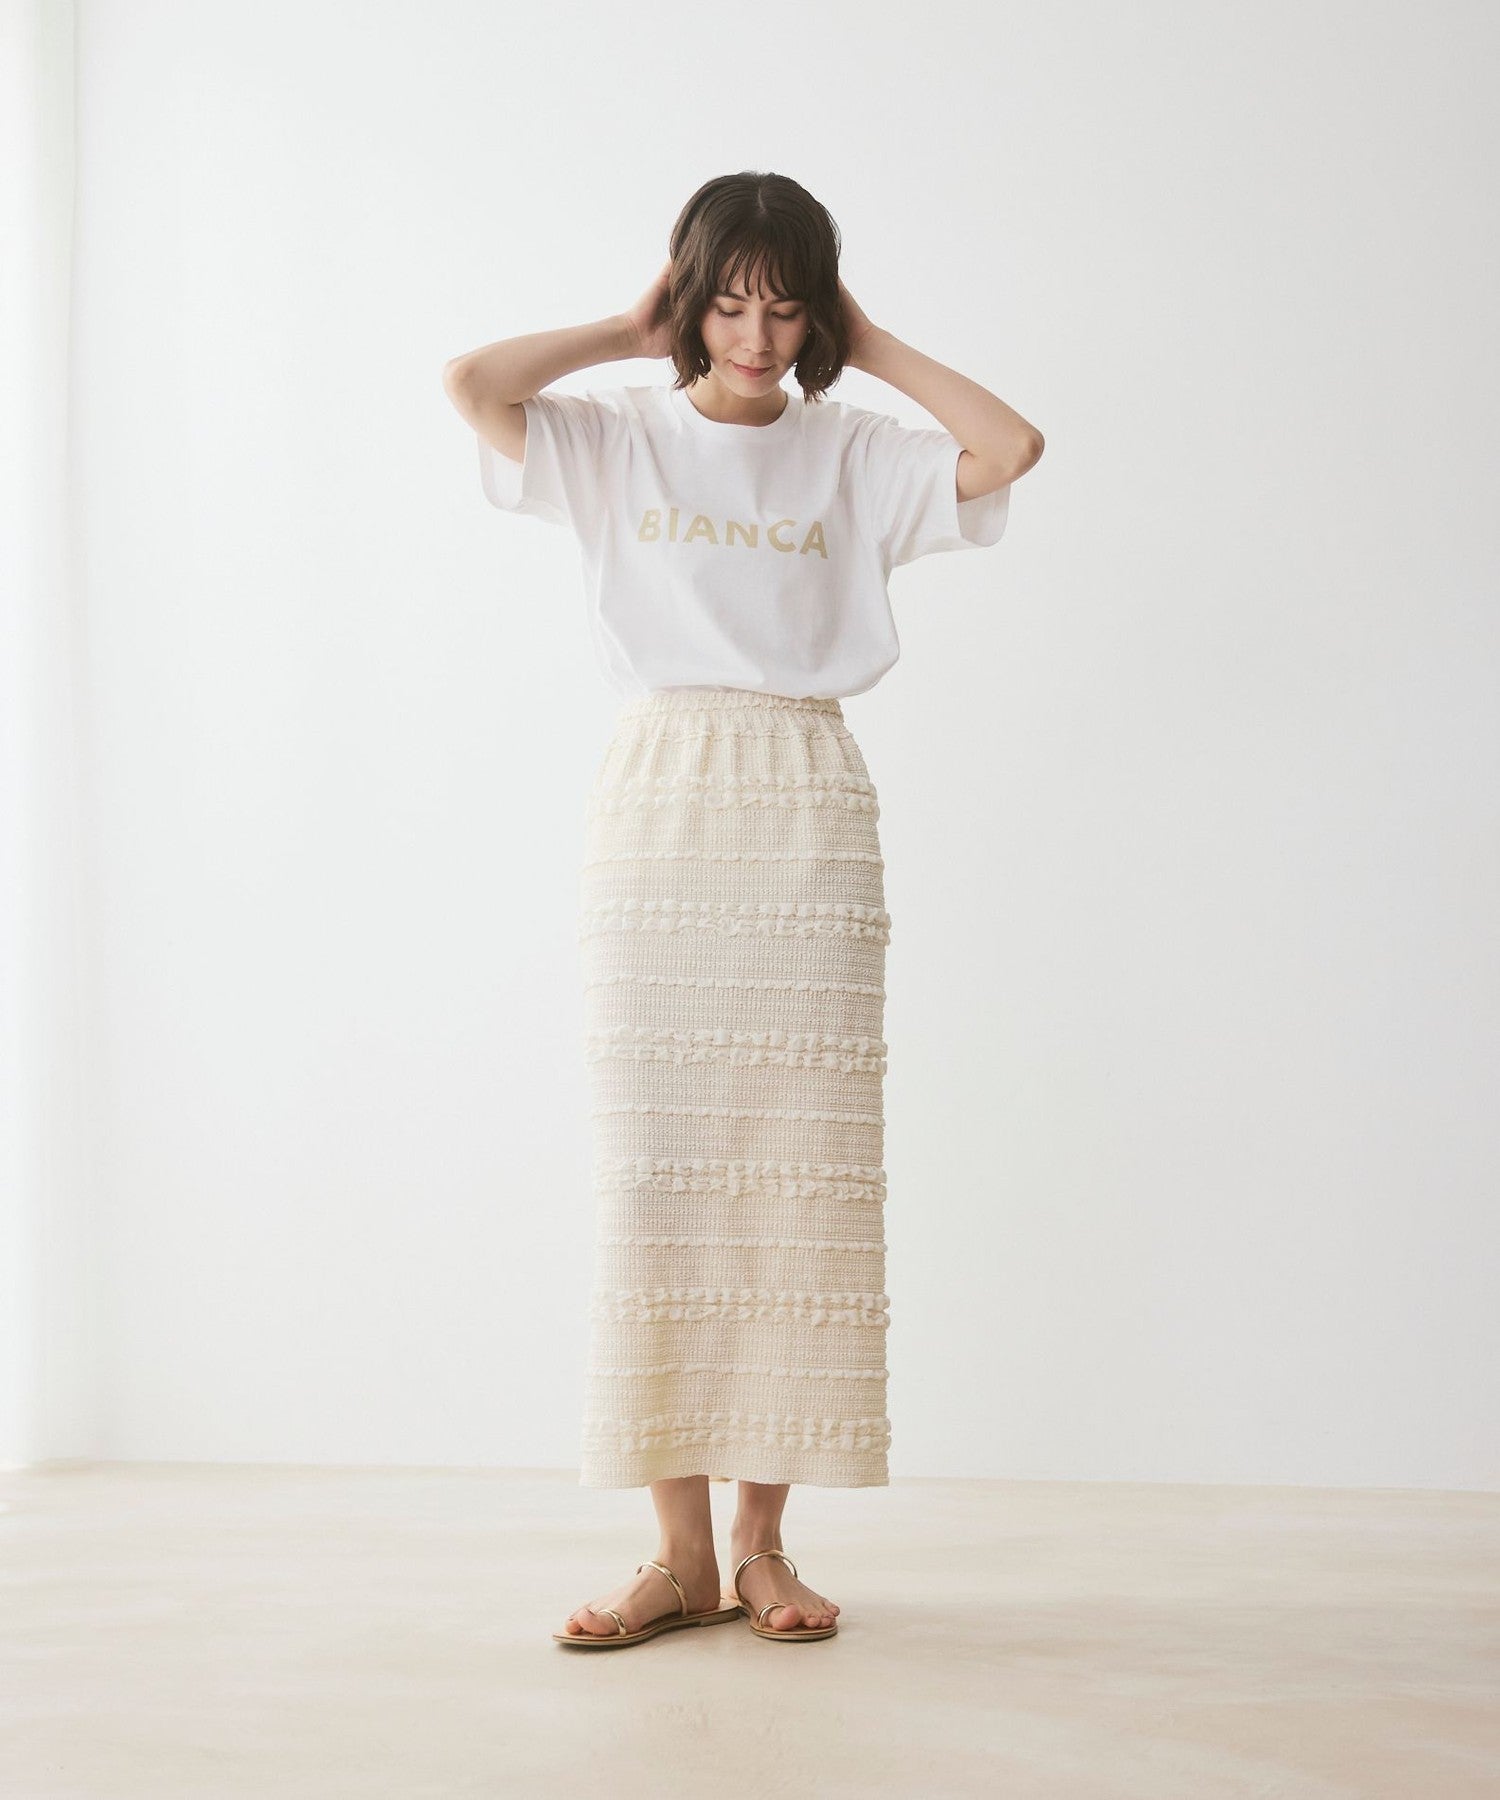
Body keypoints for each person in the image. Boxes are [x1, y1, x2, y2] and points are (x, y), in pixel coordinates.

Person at [441, 170, 1044, 1649]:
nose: (758, 337)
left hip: (805, 798)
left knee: (795, 1181)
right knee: (660, 1175)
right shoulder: (615, 436)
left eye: (786, 307)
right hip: (659, 800)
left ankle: (766, 1547)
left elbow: (1012, 446)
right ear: (686, 299)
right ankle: (678, 1557)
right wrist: (624, 329)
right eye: (727, 304)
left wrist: (867, 341)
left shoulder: (854, 452)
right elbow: (472, 385)